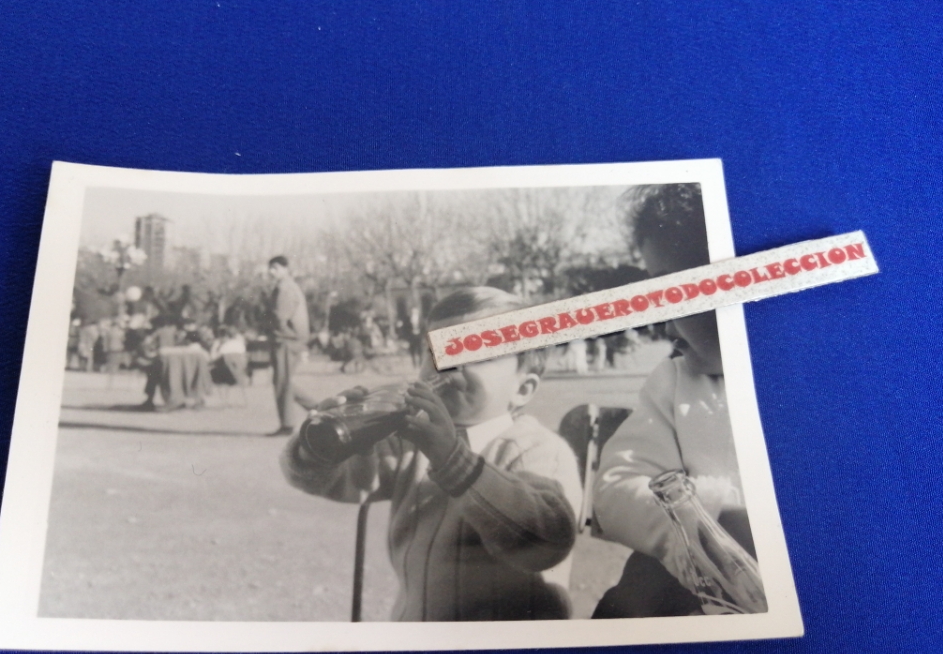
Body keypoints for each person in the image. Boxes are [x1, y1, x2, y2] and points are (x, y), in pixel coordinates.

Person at [281, 287, 581, 621]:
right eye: (435, 351)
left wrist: (453, 460)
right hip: (419, 630)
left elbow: (548, 540)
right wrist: (324, 445)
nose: (447, 366)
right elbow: (343, 481)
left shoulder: (537, 449)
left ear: (522, 389)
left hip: (507, 651)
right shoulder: (410, 440)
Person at [591, 184, 755, 618]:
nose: (661, 317)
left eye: (675, 294)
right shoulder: (676, 381)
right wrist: (708, 521)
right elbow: (616, 485)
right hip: (708, 591)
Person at [266, 256, 315, 435]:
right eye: (270, 268)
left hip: (286, 340)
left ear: (285, 269)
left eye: (276, 268)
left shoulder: (284, 288)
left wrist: (275, 332)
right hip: (291, 339)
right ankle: (318, 408)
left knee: (282, 382)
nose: (272, 272)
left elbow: (280, 317)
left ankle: (287, 424)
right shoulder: (289, 286)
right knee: (282, 381)